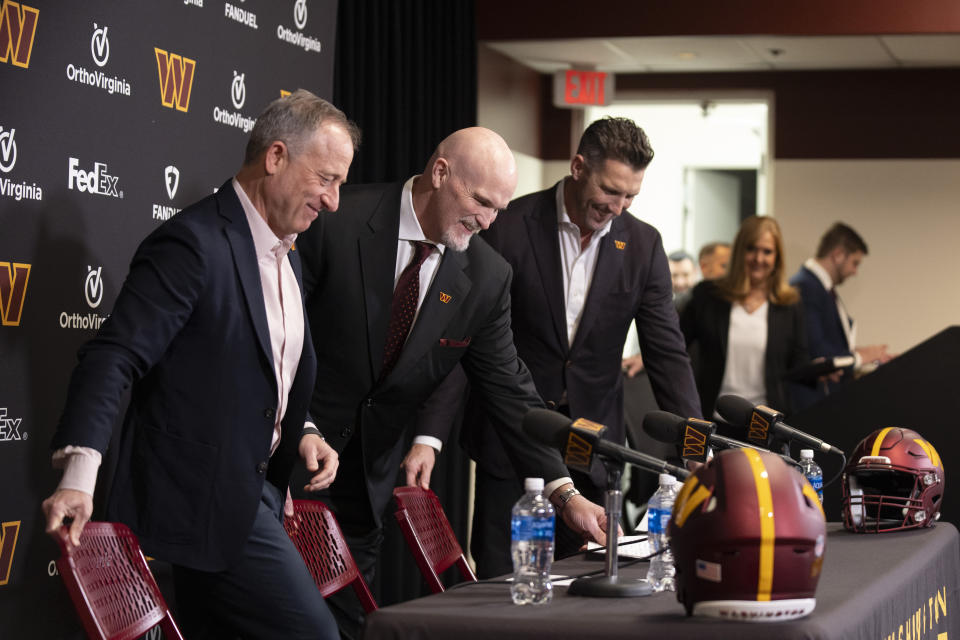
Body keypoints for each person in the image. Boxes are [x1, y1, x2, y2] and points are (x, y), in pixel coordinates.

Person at [40, 90, 357, 640]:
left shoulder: (289, 253)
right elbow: (115, 354)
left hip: (256, 494)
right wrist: (78, 475)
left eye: (340, 185)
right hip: (201, 502)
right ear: (275, 157)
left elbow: (253, 365)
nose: (333, 201)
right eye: (325, 179)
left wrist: (301, 429)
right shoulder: (193, 243)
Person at [295, 127, 611, 634]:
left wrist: (566, 494)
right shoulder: (336, 218)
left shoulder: (486, 275)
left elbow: (510, 391)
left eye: (498, 210)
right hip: (286, 464)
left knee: (346, 628)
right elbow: (281, 334)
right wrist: (302, 425)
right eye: (481, 202)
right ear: (440, 173)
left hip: (362, 491)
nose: (487, 221)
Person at [420, 117, 701, 578]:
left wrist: (694, 445)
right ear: (577, 167)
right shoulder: (508, 225)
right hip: (510, 441)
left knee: (589, 585)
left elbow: (667, 352)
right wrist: (429, 434)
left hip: (594, 450)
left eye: (631, 196)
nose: (618, 206)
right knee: (502, 583)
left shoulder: (644, 244)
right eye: (611, 190)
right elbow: (463, 338)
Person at [680, 216, 807, 421]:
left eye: (767, 251)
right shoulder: (708, 295)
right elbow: (676, 342)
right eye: (751, 249)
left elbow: (798, 363)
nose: (758, 259)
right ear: (739, 252)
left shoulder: (790, 303)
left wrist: (821, 369)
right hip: (713, 420)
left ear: (777, 258)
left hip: (767, 425)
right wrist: (644, 358)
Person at [789, 222, 891, 410]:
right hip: (809, 404)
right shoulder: (805, 287)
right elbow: (816, 350)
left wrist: (869, 354)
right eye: (854, 263)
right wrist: (860, 357)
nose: (855, 272)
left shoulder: (822, 289)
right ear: (837, 255)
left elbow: (829, 343)